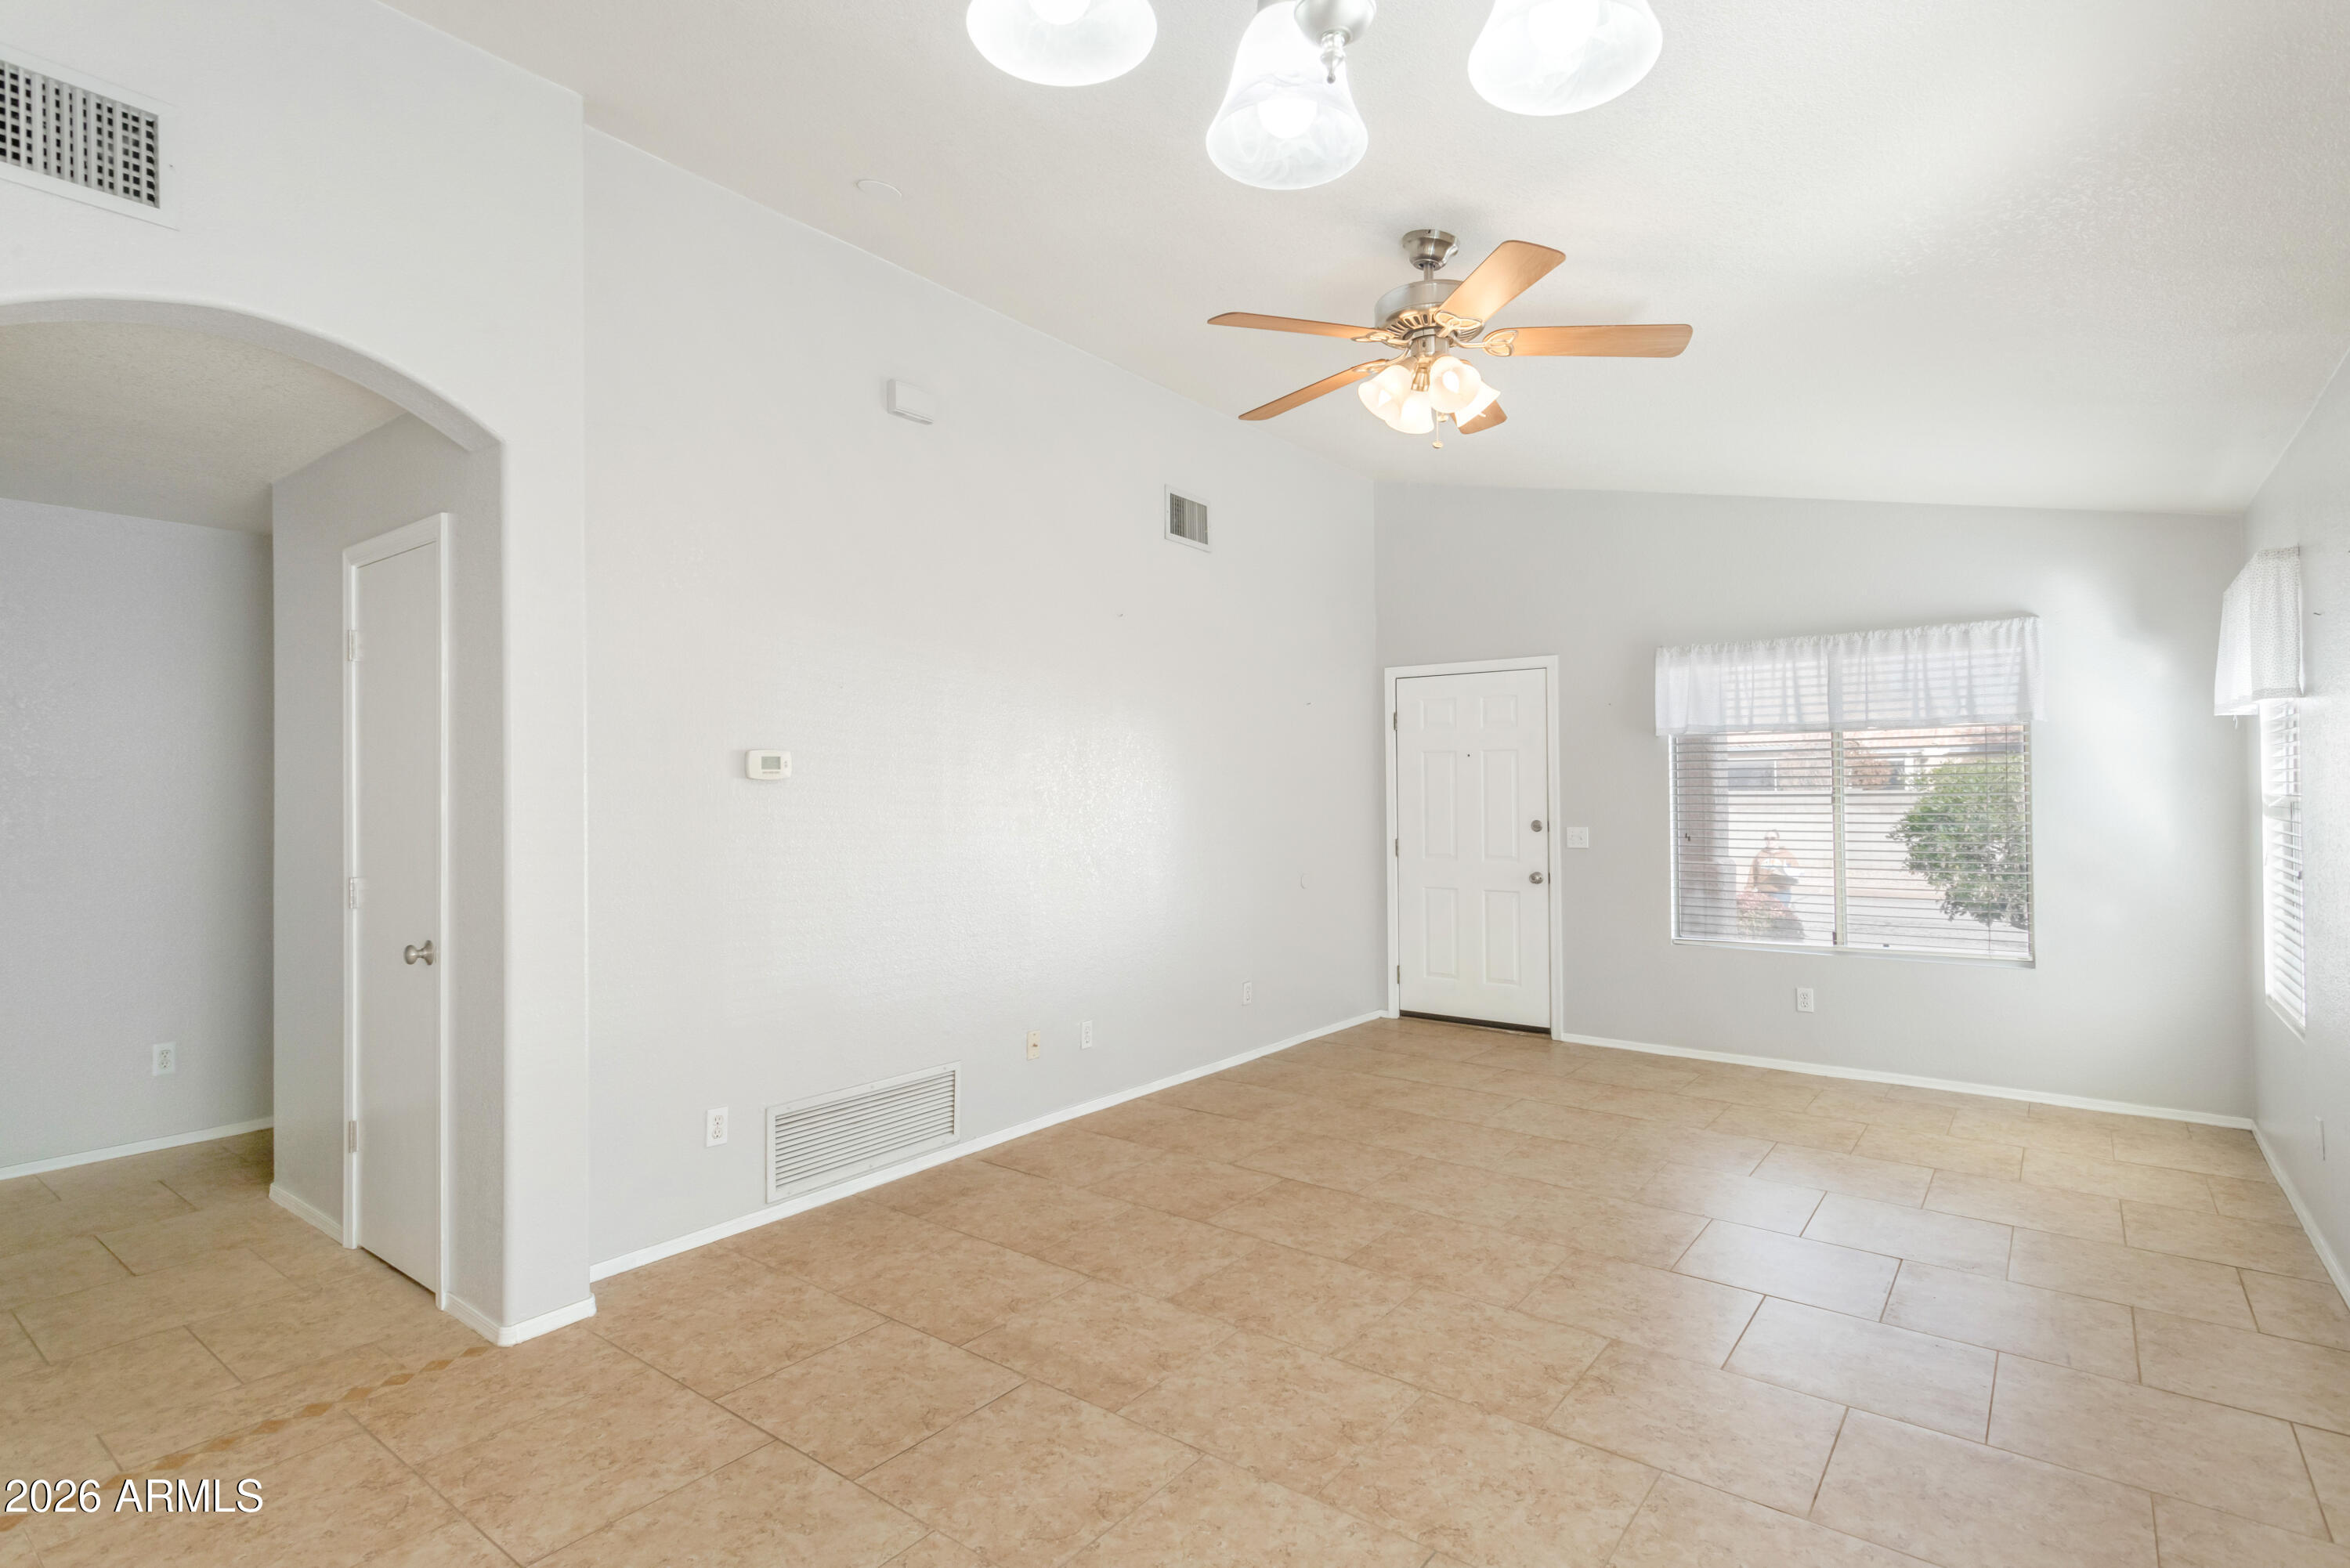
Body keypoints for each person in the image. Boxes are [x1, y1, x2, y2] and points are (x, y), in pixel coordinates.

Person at [1741, 831, 1806, 940]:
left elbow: (1796, 871)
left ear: (1778, 840)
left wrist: (1786, 874)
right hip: (1763, 893)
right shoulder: (1760, 855)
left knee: (1778, 919)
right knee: (1765, 920)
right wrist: (1748, 889)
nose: (1769, 840)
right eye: (1767, 838)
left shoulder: (1787, 855)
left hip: (1781, 892)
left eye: (1772, 838)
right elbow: (1753, 873)